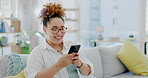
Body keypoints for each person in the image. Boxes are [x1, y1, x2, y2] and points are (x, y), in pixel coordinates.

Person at [24, 2, 95, 78]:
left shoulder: (71, 46)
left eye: (62, 29)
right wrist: (58, 66)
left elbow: (88, 72)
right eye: (54, 29)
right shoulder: (38, 52)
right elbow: (33, 76)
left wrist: (79, 63)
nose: (59, 33)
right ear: (45, 30)